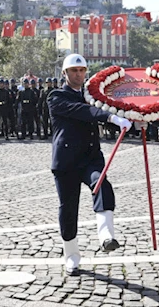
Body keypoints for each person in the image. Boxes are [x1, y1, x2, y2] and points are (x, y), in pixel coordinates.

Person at [48, 54, 131, 276]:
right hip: (66, 161)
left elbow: (112, 109)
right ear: (65, 74)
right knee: (68, 208)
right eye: (74, 70)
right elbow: (83, 112)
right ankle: (71, 256)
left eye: (82, 70)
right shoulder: (56, 96)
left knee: (101, 184)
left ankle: (106, 236)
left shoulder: (93, 96)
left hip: (90, 157)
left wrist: (130, 119)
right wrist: (110, 117)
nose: (78, 74)